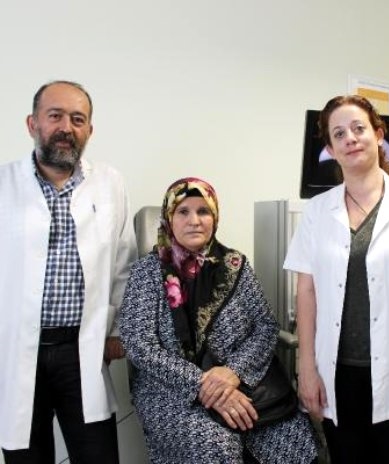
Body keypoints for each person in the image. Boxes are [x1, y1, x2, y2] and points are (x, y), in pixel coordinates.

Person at [0, 80, 138, 463]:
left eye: (77, 119)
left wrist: (117, 330)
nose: (66, 127)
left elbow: (124, 265)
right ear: (32, 124)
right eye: (55, 116)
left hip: (82, 350)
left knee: (97, 455)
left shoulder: (110, 183)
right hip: (14, 352)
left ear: (90, 130)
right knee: (27, 457)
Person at [283, 95, 389, 463]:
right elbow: (306, 291)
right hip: (338, 374)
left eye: (359, 128)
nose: (350, 138)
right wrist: (306, 368)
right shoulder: (317, 211)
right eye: (339, 134)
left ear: (378, 134)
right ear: (331, 149)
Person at [118, 177, 319, 463]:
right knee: (215, 446)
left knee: (293, 438)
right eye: (183, 211)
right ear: (169, 218)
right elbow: (139, 345)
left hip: (241, 382)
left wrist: (233, 372)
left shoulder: (235, 265)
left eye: (203, 211)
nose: (194, 221)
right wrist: (201, 383)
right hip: (172, 391)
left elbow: (265, 325)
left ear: (215, 217)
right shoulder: (146, 272)